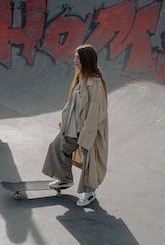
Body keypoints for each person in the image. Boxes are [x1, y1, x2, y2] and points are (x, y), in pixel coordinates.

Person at [42, 44, 108, 207]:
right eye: (75, 57)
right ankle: (64, 179)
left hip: (87, 130)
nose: (74, 60)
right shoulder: (81, 78)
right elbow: (72, 104)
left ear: (86, 60)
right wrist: (64, 122)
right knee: (57, 147)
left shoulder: (95, 83)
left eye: (77, 58)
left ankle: (90, 193)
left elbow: (95, 113)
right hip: (71, 127)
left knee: (90, 162)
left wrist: (86, 134)